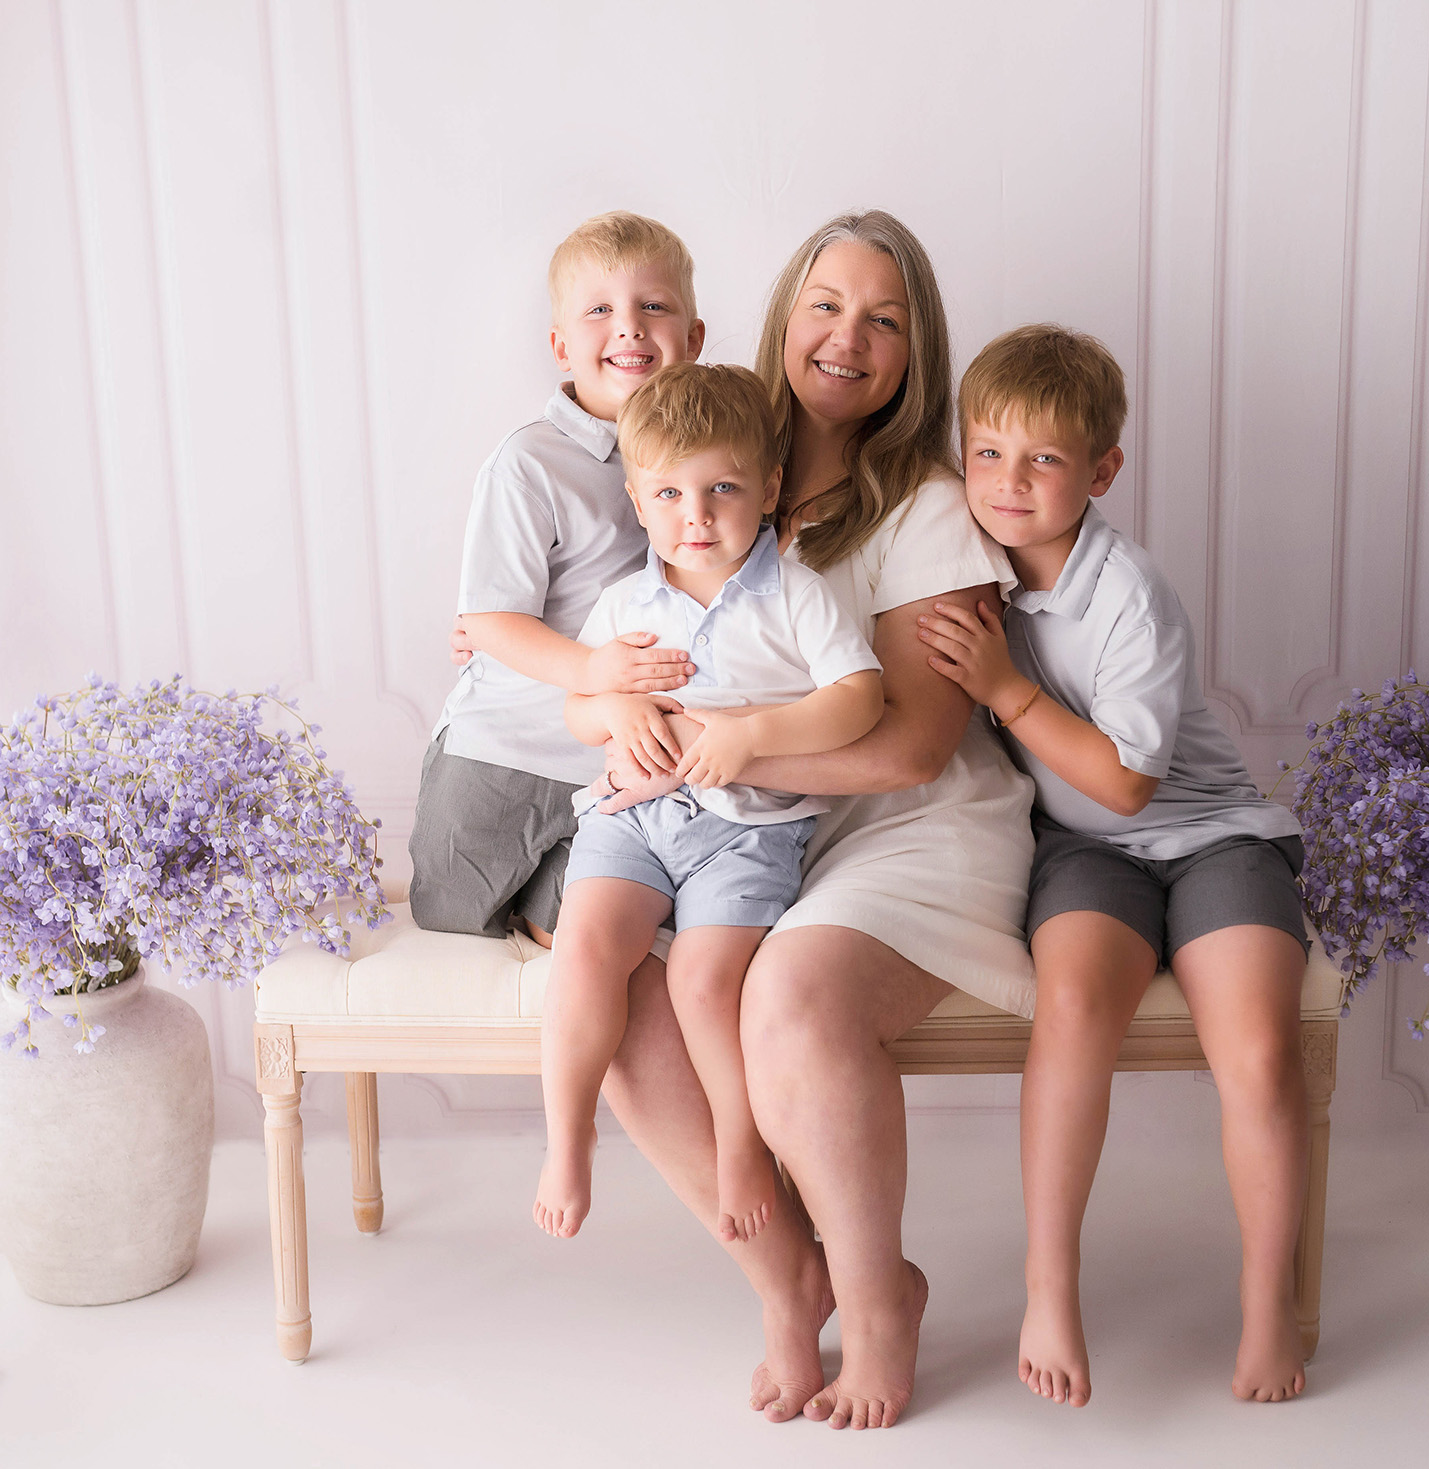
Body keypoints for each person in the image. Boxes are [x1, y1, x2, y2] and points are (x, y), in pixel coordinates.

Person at [592, 213, 1036, 1430]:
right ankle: (792, 1285)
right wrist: (620, 712)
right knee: (621, 989)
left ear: (914, 352)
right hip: (759, 824)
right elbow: (630, 639)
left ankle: (880, 1309)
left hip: (913, 827)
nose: (848, 337)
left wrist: (732, 740)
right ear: (784, 313)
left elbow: (909, 744)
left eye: (884, 319)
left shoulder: (927, 504)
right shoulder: (714, 451)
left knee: (784, 994)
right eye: (825, 305)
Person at [916, 323, 1310, 1406]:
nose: (1008, 481)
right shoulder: (962, 563)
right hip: (1083, 852)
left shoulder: (1127, 590)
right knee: (1074, 1008)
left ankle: (1267, 1295)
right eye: (987, 452)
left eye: (1041, 459)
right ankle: (1051, 1282)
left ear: (1099, 471)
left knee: (1258, 1051)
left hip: (1209, 832)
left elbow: (1131, 782)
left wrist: (1005, 688)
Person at [534, 362, 883, 1246]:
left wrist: (757, 734)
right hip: (634, 818)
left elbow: (860, 699)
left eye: (722, 488)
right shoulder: (625, 602)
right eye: (670, 493)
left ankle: (740, 1139)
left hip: (750, 831)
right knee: (586, 944)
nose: (696, 515)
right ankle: (569, 1137)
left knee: (700, 976)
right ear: (638, 500)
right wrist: (612, 706)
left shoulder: (799, 594)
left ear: (768, 487)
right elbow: (578, 708)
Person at [409, 212, 703, 941]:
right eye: (600, 310)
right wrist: (596, 669)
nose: (630, 328)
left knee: (596, 916)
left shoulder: (712, 459)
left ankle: (552, 902)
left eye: (654, 307)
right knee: (449, 909)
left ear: (694, 339)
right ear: (561, 347)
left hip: (614, 765)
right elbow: (491, 620)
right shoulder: (531, 462)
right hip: (503, 747)